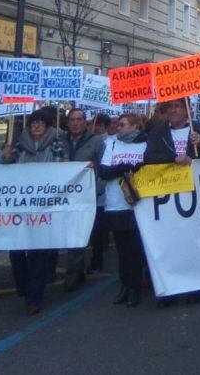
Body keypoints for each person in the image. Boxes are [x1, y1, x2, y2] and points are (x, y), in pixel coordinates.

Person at [1, 110, 66, 314]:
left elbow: (62, 169)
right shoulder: (19, 146)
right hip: (20, 208)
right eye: (33, 123)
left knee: (38, 255)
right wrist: (6, 157)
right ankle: (24, 287)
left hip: (44, 208)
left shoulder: (57, 145)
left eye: (41, 123)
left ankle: (34, 298)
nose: (36, 127)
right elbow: (5, 170)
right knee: (17, 254)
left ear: (47, 126)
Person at [98, 113, 148, 307]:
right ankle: (125, 286)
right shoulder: (112, 144)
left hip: (138, 204)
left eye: (122, 125)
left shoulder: (145, 144)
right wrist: (122, 168)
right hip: (115, 204)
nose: (118, 128)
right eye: (117, 125)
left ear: (135, 126)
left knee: (134, 249)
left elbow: (147, 168)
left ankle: (135, 287)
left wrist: (130, 168)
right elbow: (103, 171)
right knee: (122, 250)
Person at [60, 108, 105, 290]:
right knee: (64, 232)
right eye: (72, 120)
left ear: (85, 122)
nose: (75, 123)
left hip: (86, 195)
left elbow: (103, 167)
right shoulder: (60, 141)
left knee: (78, 234)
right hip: (63, 195)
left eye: (79, 119)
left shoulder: (95, 142)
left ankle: (74, 272)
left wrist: (96, 189)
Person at [144, 98, 200, 163]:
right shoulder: (158, 132)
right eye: (170, 106)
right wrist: (173, 158)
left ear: (187, 109)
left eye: (177, 106)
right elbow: (148, 157)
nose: (173, 110)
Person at [87, 113, 115, 273]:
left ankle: (97, 258)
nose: (94, 126)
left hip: (100, 195)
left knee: (98, 230)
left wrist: (98, 188)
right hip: (85, 193)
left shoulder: (108, 142)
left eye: (97, 124)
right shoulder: (87, 140)